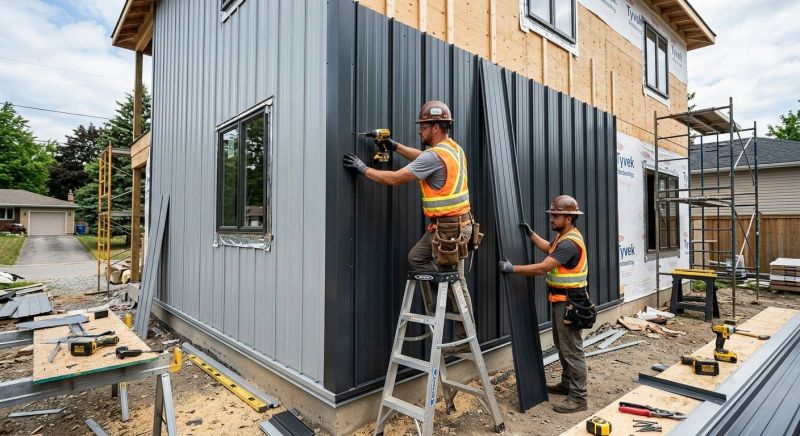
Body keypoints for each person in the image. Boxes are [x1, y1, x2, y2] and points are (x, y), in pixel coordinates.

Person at [343, 101, 475, 351]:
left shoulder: (436, 156)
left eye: (423, 126)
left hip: (450, 230)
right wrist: (393, 146)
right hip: (455, 226)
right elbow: (423, 158)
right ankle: (451, 307)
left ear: (436, 127)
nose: (419, 131)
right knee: (422, 261)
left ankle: (462, 333)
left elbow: (394, 179)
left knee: (454, 280)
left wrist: (363, 169)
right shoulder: (452, 149)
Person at [497, 195, 589, 413]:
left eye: (555, 215)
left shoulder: (569, 243)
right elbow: (548, 247)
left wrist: (513, 269)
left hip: (570, 303)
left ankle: (579, 397)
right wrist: (530, 234)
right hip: (562, 301)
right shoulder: (563, 238)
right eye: (551, 214)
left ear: (568, 217)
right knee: (562, 345)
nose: (551, 218)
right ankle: (568, 385)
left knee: (572, 350)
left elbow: (543, 268)